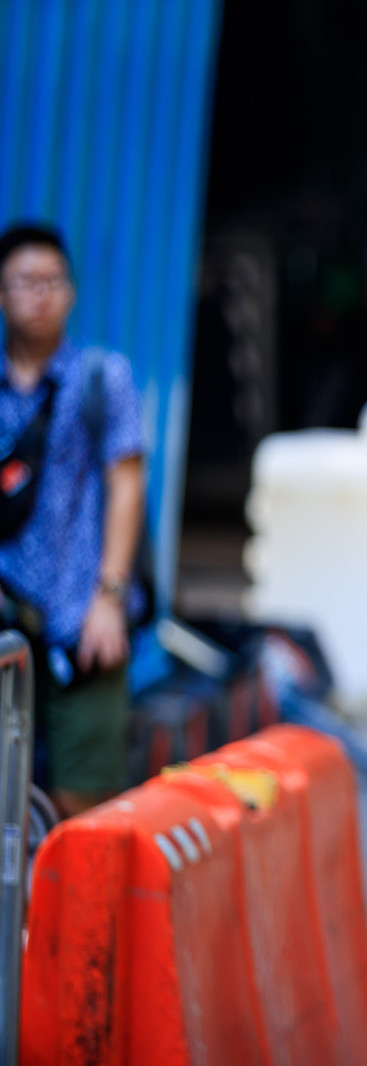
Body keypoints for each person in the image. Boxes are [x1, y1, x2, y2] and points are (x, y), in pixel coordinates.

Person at [0, 223, 146, 817]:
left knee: (81, 808)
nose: (41, 293)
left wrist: (109, 595)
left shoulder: (101, 378)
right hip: (8, 626)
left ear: (72, 294)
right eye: (25, 281)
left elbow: (127, 484)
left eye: (54, 281)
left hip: (81, 627)